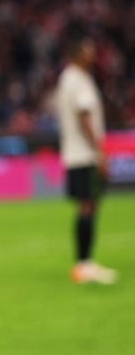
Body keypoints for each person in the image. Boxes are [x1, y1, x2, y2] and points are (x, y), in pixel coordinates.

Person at [56, 36, 117, 285]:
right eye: (87, 49)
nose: (92, 53)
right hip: (84, 154)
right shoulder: (78, 80)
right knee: (88, 205)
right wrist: (99, 151)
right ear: (76, 53)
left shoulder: (68, 78)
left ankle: (84, 263)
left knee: (89, 204)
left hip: (76, 152)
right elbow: (84, 117)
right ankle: (84, 264)